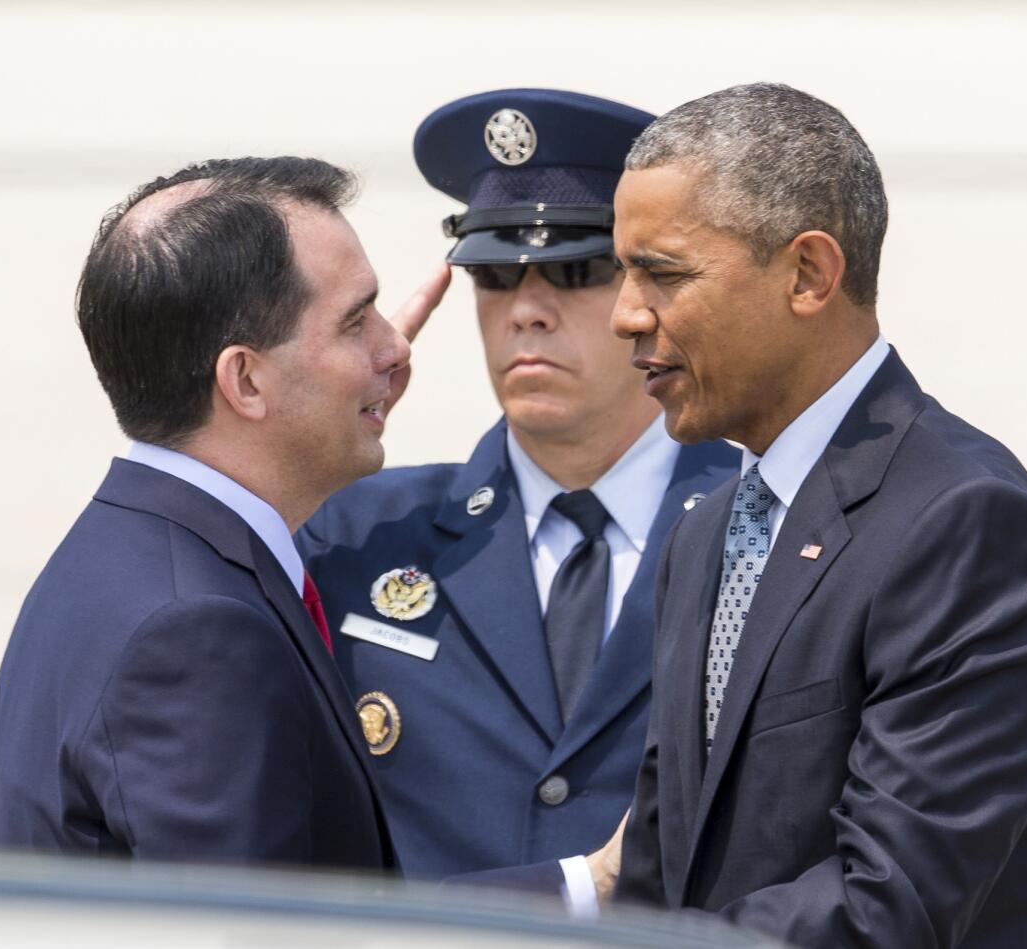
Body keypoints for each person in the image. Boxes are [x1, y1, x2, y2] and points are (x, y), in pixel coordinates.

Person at [605, 84, 1027, 946]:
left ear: (808, 274)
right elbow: (660, 872)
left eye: (664, 273)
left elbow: (889, 905)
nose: (625, 313)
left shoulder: (968, 526)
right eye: (623, 271)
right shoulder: (708, 531)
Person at [297, 89, 740, 879]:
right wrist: (315, 414)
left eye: (574, 269)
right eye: (496, 273)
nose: (526, 310)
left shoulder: (767, 522)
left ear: (653, 289)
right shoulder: (355, 531)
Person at [0, 156, 449, 866]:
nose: (395, 347)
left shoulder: (127, 557)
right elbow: (258, 932)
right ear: (245, 378)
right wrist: (579, 885)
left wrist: (345, 409)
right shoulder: (194, 629)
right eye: (356, 321)